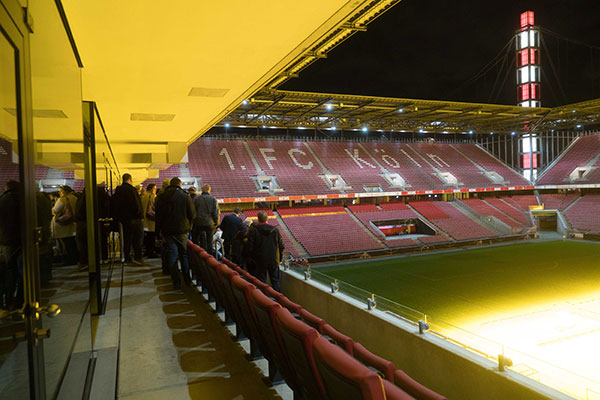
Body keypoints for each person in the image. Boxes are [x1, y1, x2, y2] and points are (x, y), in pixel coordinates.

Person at [155, 177, 196, 289]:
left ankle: (176, 282)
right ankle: (187, 280)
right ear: (179, 184)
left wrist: (158, 232)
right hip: (182, 230)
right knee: (183, 255)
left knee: (172, 255)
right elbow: (192, 214)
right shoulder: (184, 196)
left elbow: (158, 216)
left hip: (168, 231)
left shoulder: (161, 197)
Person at [247, 211, 284, 291]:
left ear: (258, 219)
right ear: (267, 219)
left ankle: (263, 301)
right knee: (275, 282)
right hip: (273, 260)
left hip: (259, 261)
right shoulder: (275, 231)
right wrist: (280, 259)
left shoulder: (254, 231)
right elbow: (281, 246)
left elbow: (250, 247)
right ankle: (277, 301)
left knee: (261, 284)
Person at [112, 173, 145, 265]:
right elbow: (136, 205)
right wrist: (140, 215)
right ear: (130, 179)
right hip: (134, 219)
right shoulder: (132, 190)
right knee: (137, 239)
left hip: (123, 220)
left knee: (127, 239)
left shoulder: (118, 191)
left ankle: (127, 257)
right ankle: (138, 257)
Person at [0, 181, 22, 309]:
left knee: (10, 270)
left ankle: (9, 299)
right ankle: (20, 298)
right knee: (22, 271)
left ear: (6, 188)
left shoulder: (3, 200)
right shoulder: (24, 199)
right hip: (24, 240)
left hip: (8, 241)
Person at [51, 185, 78, 266]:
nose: (59, 193)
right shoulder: (75, 198)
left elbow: (55, 211)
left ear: (64, 191)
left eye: (60, 191)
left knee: (65, 244)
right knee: (71, 243)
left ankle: (68, 260)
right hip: (72, 223)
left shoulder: (63, 199)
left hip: (63, 224)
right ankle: (74, 259)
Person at [192, 184, 219, 253]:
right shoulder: (213, 199)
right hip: (209, 224)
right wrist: (216, 223)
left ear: (202, 190)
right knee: (209, 242)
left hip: (198, 223)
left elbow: (193, 212)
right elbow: (215, 213)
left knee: (200, 240)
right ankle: (209, 256)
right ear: (209, 190)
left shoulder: (197, 199)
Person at [141, 183, 158, 258]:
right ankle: (151, 252)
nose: (155, 190)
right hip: (151, 220)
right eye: (155, 189)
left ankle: (147, 251)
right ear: (152, 189)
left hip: (144, 220)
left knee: (147, 237)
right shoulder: (153, 196)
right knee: (151, 237)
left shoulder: (143, 196)